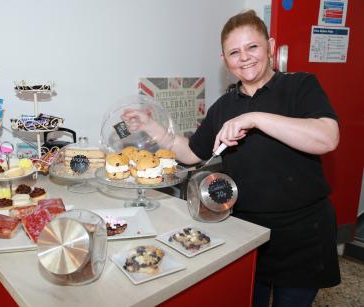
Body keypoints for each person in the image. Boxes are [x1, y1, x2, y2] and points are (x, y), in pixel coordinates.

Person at [122, 10, 340, 307]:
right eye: (234, 52)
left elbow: (327, 138)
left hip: (303, 233)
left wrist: (255, 118)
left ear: (271, 46)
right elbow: (192, 154)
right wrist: (152, 127)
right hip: (245, 232)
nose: (245, 57)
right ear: (225, 61)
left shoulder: (299, 86)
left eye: (253, 47)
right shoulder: (223, 106)